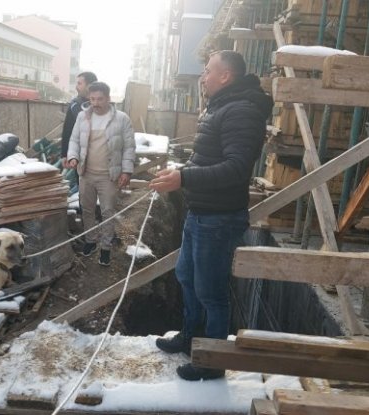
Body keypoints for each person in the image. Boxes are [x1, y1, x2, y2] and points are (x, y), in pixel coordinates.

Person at [149, 50, 273, 380]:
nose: (202, 77)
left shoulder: (242, 111)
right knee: (186, 277)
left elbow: (235, 169)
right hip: (200, 212)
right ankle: (191, 339)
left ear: (225, 76)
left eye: (207, 71)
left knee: (212, 293)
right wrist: (181, 171)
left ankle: (213, 362)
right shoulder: (222, 106)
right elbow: (208, 160)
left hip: (219, 220)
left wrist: (184, 178)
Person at [67, 82, 135, 266]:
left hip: (108, 176)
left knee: (107, 212)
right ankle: (90, 241)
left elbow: (129, 147)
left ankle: (105, 247)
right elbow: (73, 140)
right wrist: (73, 156)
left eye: (100, 99)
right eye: (92, 99)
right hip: (86, 173)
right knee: (87, 209)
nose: (96, 103)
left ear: (108, 98)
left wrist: (127, 171)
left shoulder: (121, 119)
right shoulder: (82, 117)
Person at [61, 72, 98, 170]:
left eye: (79, 84)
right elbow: (67, 130)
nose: (76, 87)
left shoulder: (104, 106)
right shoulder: (75, 105)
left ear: (89, 86)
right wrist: (65, 154)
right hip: (81, 158)